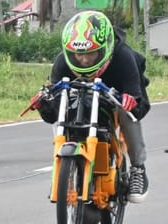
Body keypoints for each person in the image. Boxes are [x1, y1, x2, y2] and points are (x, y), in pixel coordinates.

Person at [32, 11, 152, 203]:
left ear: (105, 48)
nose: (85, 60)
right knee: (65, 103)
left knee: (126, 112)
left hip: (117, 93)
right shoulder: (62, 62)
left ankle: (138, 167)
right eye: (79, 55)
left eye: (91, 53)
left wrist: (130, 101)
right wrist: (43, 105)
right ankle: (63, 174)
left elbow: (138, 103)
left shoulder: (124, 57)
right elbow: (53, 113)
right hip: (82, 96)